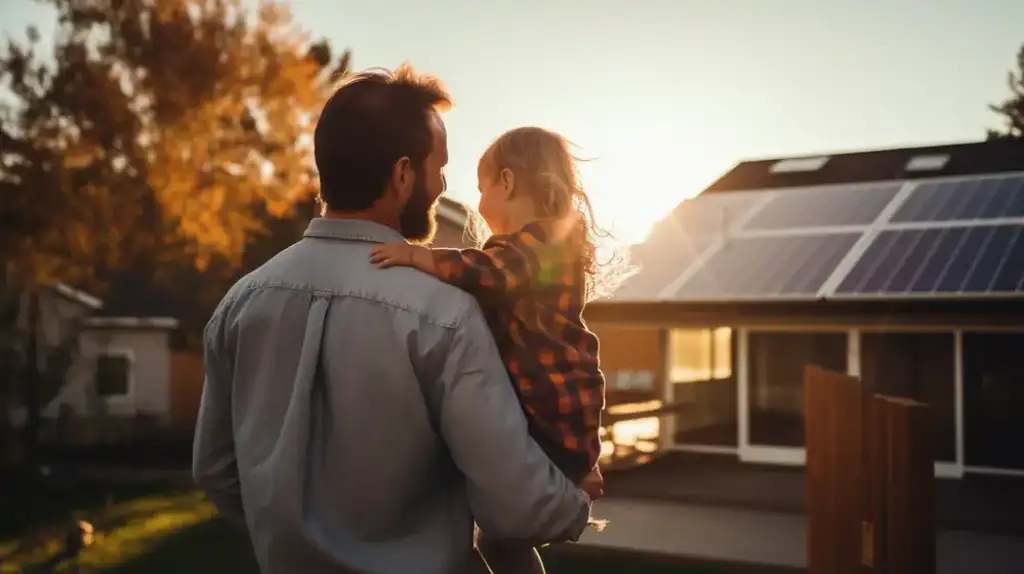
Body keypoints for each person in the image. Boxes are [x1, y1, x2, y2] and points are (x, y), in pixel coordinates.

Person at [193, 66, 596, 574]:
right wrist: (574, 498)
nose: (445, 186)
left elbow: (217, 473)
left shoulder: (241, 303)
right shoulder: (444, 313)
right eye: (440, 169)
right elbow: (514, 505)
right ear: (404, 175)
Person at [370, 126, 616, 574]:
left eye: (482, 189)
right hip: (559, 410)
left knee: (500, 527)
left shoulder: (538, 244)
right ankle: (579, 469)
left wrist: (416, 257)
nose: (478, 204)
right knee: (502, 542)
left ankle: (576, 471)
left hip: (547, 408)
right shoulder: (551, 243)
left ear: (508, 181)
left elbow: (487, 272)